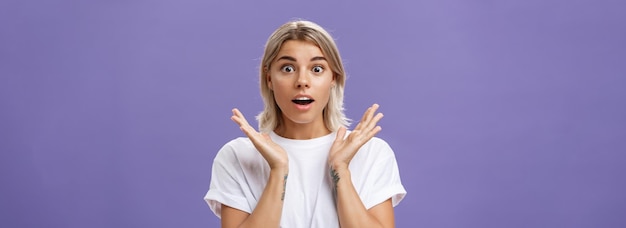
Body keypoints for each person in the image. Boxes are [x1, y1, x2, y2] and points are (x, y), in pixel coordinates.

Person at [204, 20, 406, 228]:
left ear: (333, 78)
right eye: (288, 68)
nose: (302, 81)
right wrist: (278, 170)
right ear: (269, 79)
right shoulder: (238, 156)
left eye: (317, 69)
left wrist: (341, 170)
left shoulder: (371, 153)